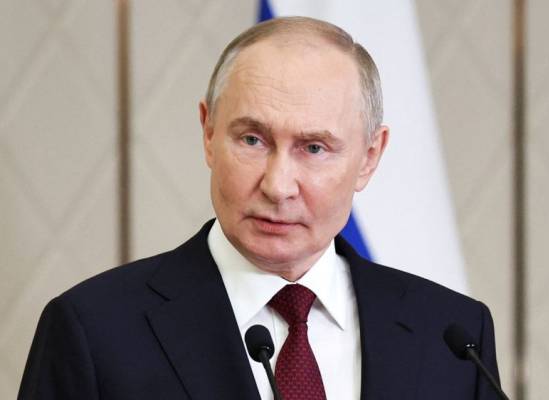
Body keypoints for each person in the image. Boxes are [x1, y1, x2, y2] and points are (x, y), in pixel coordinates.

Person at [19, 16, 501, 400]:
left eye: (314, 148)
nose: (277, 185)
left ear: (369, 157)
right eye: (252, 139)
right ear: (209, 133)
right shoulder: (94, 331)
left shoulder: (453, 336)